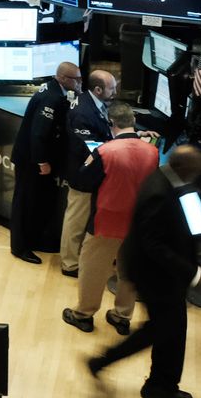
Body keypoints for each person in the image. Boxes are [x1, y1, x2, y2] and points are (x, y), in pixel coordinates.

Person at [86, 145, 201, 398]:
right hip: (153, 274)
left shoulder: (171, 178)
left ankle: (158, 383)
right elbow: (154, 245)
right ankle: (111, 365)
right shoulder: (158, 192)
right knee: (163, 328)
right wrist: (194, 274)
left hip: (162, 272)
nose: (199, 174)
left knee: (169, 329)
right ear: (183, 168)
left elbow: (174, 220)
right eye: (196, 170)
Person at [61, 101, 151, 334]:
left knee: (92, 269)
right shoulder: (152, 151)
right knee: (128, 272)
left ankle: (84, 314)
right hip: (137, 223)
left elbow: (84, 180)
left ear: (111, 123)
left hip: (106, 221)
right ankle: (122, 317)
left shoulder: (105, 152)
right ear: (133, 121)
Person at [9, 61, 80, 264]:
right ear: (63, 78)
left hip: (35, 158)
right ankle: (19, 247)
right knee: (25, 203)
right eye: (76, 79)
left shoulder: (55, 91)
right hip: (30, 160)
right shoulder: (51, 98)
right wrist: (42, 162)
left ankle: (34, 240)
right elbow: (38, 134)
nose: (79, 82)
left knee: (38, 202)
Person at [58, 68, 116, 279]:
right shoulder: (83, 113)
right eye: (112, 88)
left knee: (81, 218)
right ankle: (69, 263)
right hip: (82, 175)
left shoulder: (92, 103)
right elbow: (93, 148)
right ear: (98, 90)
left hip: (90, 173)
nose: (115, 92)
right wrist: (120, 146)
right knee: (76, 220)